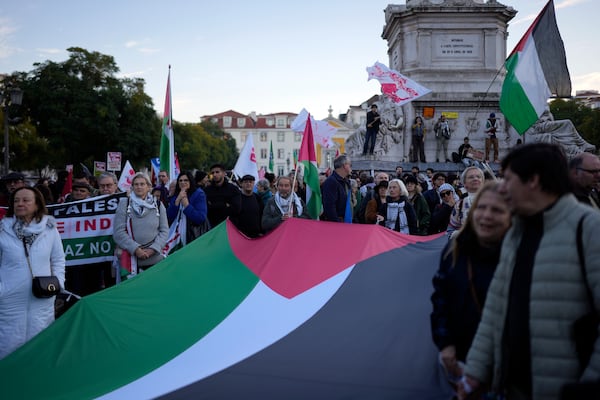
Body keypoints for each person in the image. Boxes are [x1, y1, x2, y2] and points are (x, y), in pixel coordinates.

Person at [459, 143, 600, 400]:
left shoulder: (590, 228)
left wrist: (589, 387)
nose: (500, 187)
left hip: (566, 388)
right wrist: (476, 371)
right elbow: (496, 306)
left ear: (533, 181)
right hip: (513, 387)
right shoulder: (516, 230)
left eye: (508, 179)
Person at [430, 181, 511, 394]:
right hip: (460, 354)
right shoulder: (454, 249)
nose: (486, 215)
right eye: (481, 208)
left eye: (496, 210)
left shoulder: (521, 254)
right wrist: (445, 343)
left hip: (507, 363)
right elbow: (441, 299)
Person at [0, 187, 66, 359]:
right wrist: (2, 289)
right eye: (16, 200)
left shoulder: (50, 229)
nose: (20, 204)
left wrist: (58, 283)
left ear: (37, 204)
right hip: (9, 300)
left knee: (40, 344)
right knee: (8, 345)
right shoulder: (2, 230)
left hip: (42, 299)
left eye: (26, 200)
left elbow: (58, 259)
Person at [113, 173, 169, 273]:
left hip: (155, 258)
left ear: (148, 187)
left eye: (142, 184)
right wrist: (135, 249)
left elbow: (164, 231)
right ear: (132, 187)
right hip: (131, 260)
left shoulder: (158, 205)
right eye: (136, 184)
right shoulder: (124, 204)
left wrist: (154, 249)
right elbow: (118, 232)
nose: (139, 187)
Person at [167, 171, 209, 245]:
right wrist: (177, 201)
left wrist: (187, 205)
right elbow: (169, 217)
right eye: (180, 180)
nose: (183, 182)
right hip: (176, 234)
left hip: (192, 235)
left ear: (191, 181)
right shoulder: (176, 195)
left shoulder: (199, 194)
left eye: (186, 180)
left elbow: (200, 218)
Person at [447, 166, 485, 238]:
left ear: (483, 181)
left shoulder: (493, 201)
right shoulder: (459, 204)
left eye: (478, 176)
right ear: (464, 183)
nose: (475, 178)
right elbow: (450, 231)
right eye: (471, 177)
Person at [204, 163, 242, 228]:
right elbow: (206, 209)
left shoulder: (233, 189)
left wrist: (213, 205)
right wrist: (225, 205)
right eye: (212, 173)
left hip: (229, 227)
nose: (214, 174)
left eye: (217, 172)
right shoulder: (206, 190)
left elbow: (237, 209)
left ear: (224, 173)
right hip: (212, 227)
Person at [321, 154, 352, 222]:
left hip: (346, 221)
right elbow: (329, 207)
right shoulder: (331, 182)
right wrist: (337, 224)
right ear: (344, 165)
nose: (351, 167)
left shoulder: (346, 181)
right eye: (350, 164)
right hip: (337, 224)